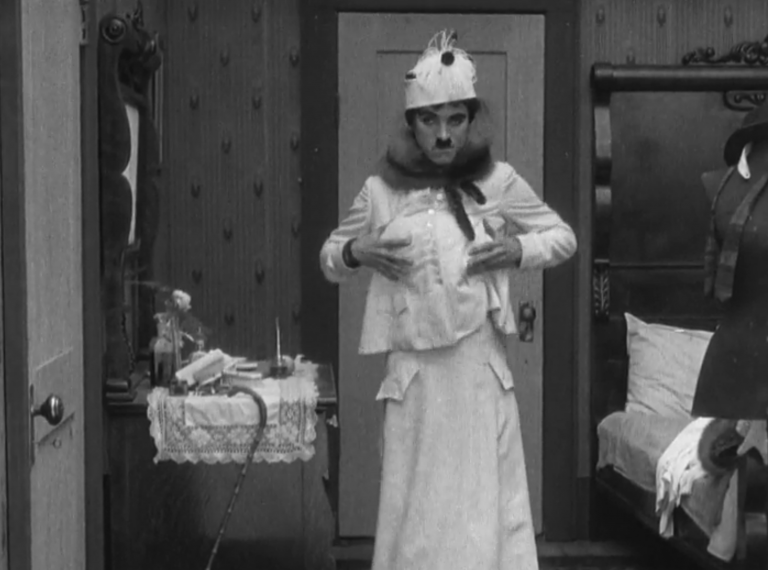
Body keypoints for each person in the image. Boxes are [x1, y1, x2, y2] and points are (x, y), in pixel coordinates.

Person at [320, 30, 577, 570]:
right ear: (410, 123)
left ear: (471, 119)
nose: (442, 134)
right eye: (429, 120)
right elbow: (329, 257)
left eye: (455, 119)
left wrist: (517, 249)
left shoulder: (498, 182)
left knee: (479, 513)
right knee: (417, 514)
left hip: (476, 374)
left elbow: (563, 238)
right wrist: (356, 252)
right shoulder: (381, 191)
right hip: (416, 382)